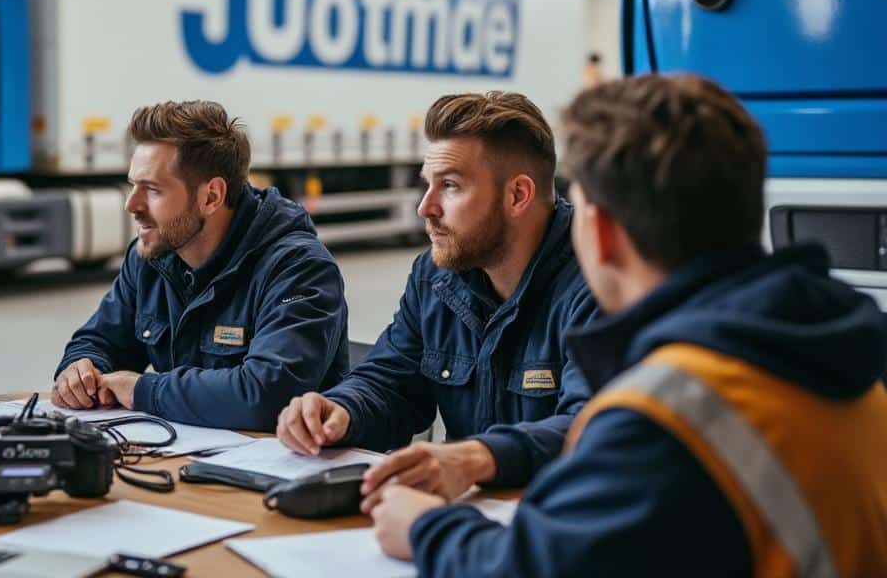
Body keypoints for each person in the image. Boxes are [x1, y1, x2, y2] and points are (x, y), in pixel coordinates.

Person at [373, 74, 887, 576]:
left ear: (599, 231)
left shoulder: (663, 415)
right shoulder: (835, 353)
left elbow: (533, 566)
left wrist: (427, 528)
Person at [277, 92, 597, 501]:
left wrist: (476, 457)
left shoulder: (596, 283)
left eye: (449, 186)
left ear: (517, 195)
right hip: (473, 515)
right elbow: (390, 382)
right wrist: (340, 410)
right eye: (427, 185)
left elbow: (591, 425)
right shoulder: (435, 277)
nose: (425, 207)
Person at [52, 100, 349, 431]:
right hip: (187, 461)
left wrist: (143, 390)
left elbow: (268, 396)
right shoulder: (150, 258)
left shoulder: (298, 268)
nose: (131, 204)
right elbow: (99, 340)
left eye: (151, 189)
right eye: (133, 185)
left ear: (211, 196)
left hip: (273, 472)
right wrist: (80, 369)